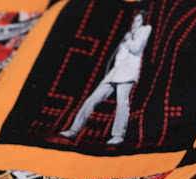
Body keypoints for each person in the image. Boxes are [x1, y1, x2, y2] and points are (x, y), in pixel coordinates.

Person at [59, 11, 152, 145]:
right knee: (92, 98)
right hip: (115, 71)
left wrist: (128, 40)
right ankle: (74, 130)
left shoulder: (145, 29)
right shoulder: (129, 35)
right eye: (134, 21)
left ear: (143, 22)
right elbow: (119, 56)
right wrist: (127, 39)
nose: (134, 24)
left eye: (138, 21)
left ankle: (118, 135)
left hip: (128, 72)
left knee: (122, 102)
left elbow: (136, 48)